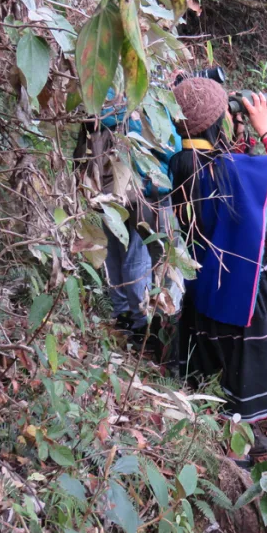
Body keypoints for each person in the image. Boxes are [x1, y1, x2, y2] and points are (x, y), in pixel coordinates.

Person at [169, 77, 267, 458]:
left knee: (214, 361)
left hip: (203, 285)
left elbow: (235, 172)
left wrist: (239, 133)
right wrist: (266, 129)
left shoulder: (180, 163)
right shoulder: (228, 169)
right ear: (219, 124)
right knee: (243, 369)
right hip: (241, 288)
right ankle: (240, 451)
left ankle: (221, 434)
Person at [73, 88, 181, 351]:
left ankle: (123, 315)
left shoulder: (95, 99)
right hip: (144, 191)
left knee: (116, 251)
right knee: (153, 255)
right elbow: (172, 147)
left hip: (104, 188)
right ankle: (148, 323)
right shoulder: (141, 99)